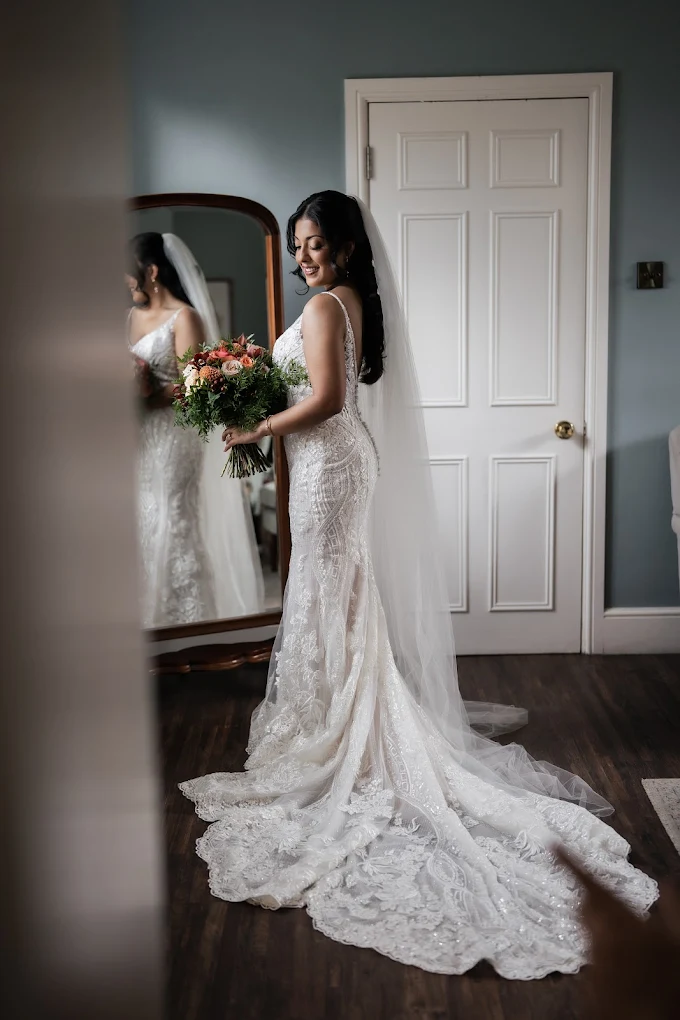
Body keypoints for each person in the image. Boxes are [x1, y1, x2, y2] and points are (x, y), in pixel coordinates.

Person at [179, 192, 657, 979]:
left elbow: (327, 399)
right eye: (297, 245)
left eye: (315, 244)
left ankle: (340, 730)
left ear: (344, 247)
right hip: (332, 462)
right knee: (335, 595)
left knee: (327, 592)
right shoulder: (341, 299)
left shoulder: (331, 305)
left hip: (333, 465)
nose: (303, 256)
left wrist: (258, 427)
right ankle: (334, 712)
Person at [128, 232, 263, 627]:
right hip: (137, 436)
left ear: (151, 271)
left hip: (174, 435)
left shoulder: (185, 317)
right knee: (141, 517)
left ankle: (187, 623)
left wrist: (148, 393)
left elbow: (195, 385)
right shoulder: (129, 317)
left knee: (173, 514)